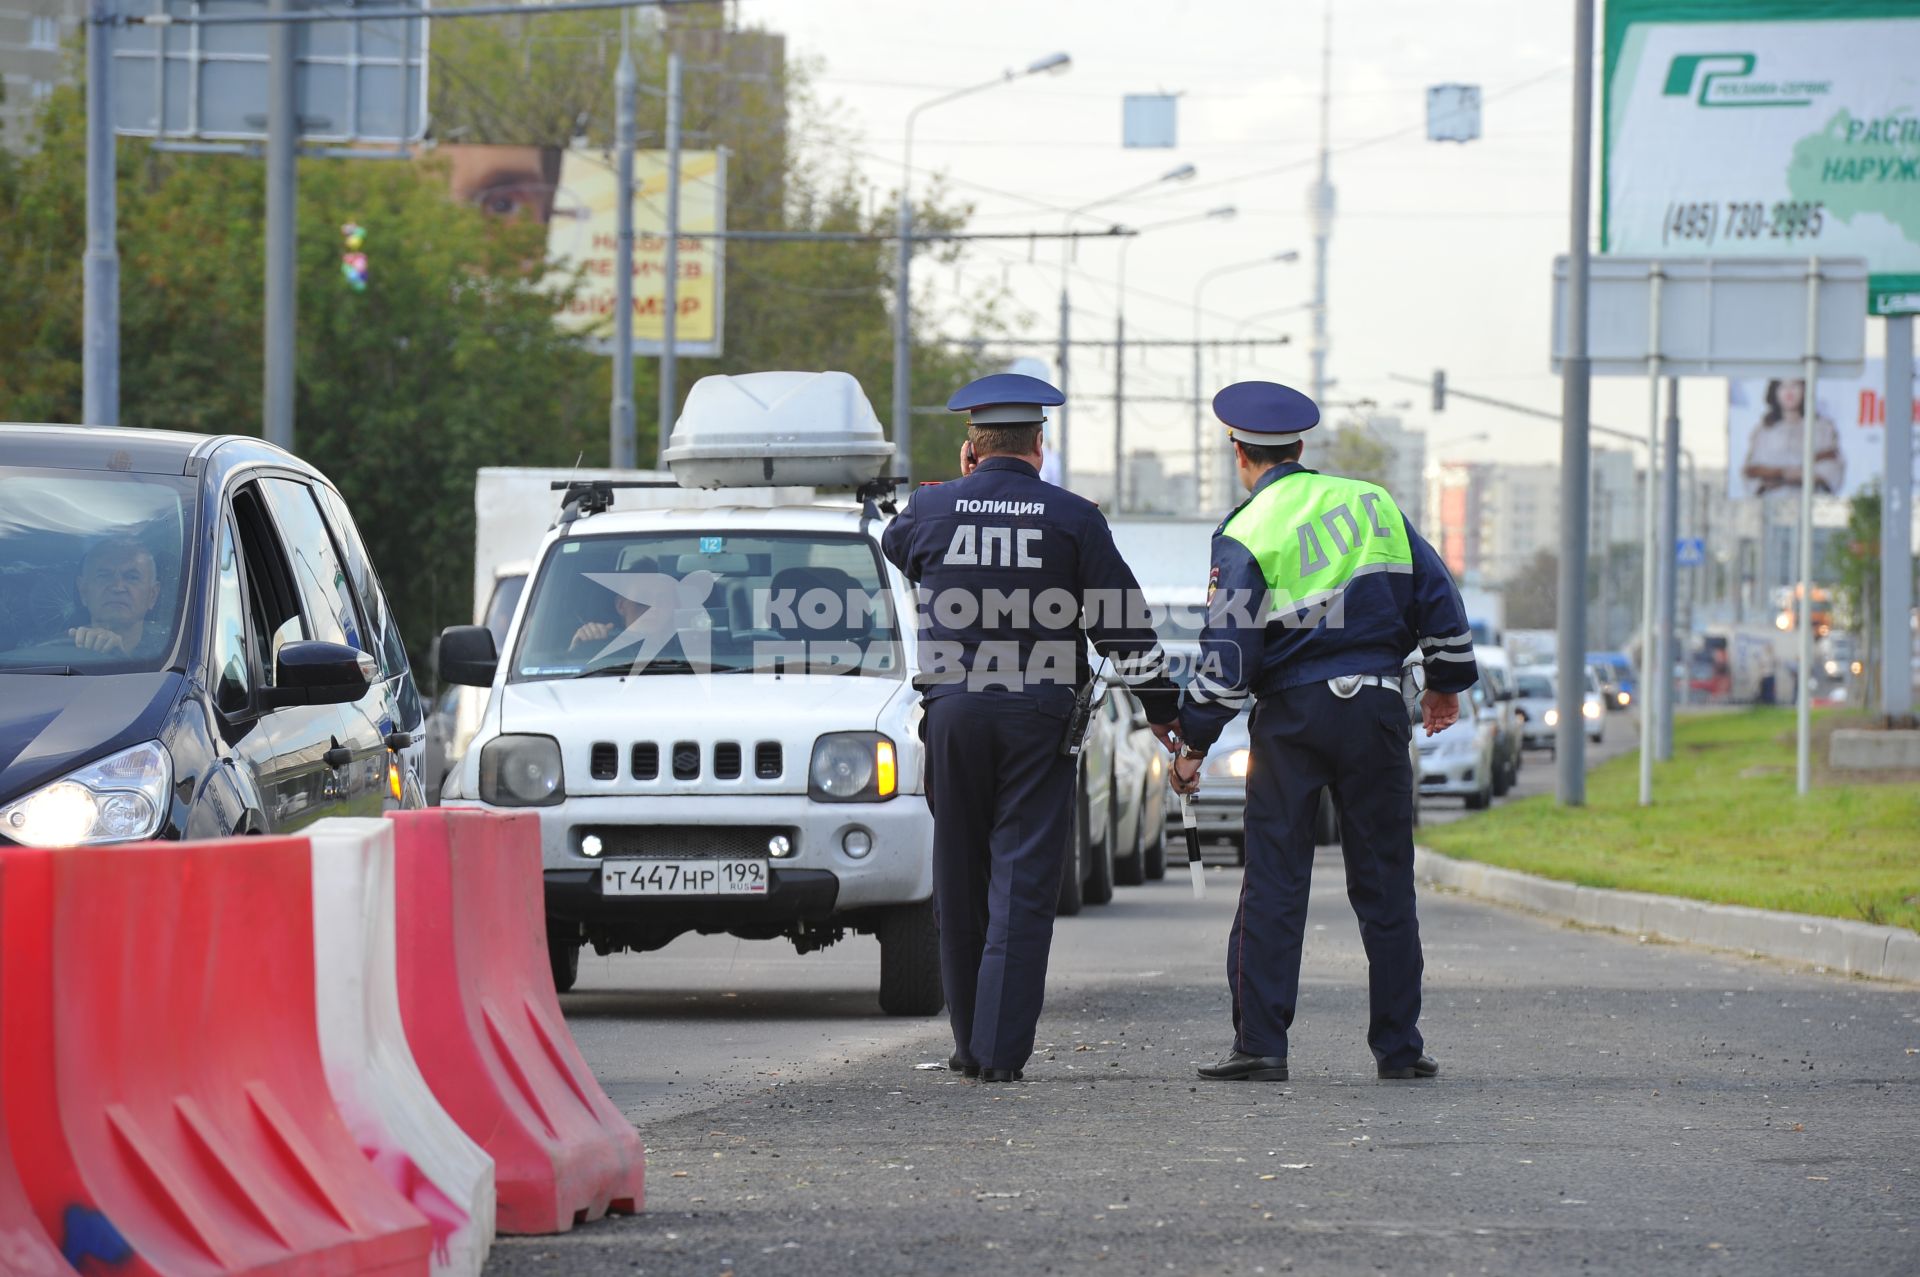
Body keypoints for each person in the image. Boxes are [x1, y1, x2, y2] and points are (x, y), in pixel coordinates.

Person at [1169, 380, 1477, 1084]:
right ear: (1302, 448)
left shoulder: (1246, 528)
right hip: (1374, 709)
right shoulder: (1374, 504)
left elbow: (1229, 655)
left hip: (1294, 718)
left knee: (1276, 877)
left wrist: (1194, 743)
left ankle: (1262, 1046)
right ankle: (1400, 1047)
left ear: (1239, 454)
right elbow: (1440, 598)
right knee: (1386, 881)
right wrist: (1444, 685)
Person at [882, 372, 1179, 1084]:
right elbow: (1123, 630)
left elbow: (899, 548)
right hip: (1038, 718)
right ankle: (999, 1050)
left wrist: (956, 494)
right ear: (1039, 445)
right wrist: (1167, 713)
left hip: (954, 714)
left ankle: (965, 1040)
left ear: (972, 447)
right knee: (1022, 881)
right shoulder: (1075, 518)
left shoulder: (929, 509)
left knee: (958, 875)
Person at [1742, 378, 1843, 497]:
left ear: (1805, 389)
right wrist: (1782, 473)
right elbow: (1752, 472)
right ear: (1774, 391)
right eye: (1783, 386)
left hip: (1812, 501)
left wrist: (1796, 476)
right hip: (1772, 501)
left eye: (1795, 385)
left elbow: (1831, 468)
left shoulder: (1823, 427)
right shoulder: (1764, 430)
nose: (1789, 392)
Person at [66, 538, 167, 659]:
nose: (118, 587)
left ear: (152, 595)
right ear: (83, 591)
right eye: (104, 576)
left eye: (132, 577)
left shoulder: (173, 655)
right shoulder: (56, 655)